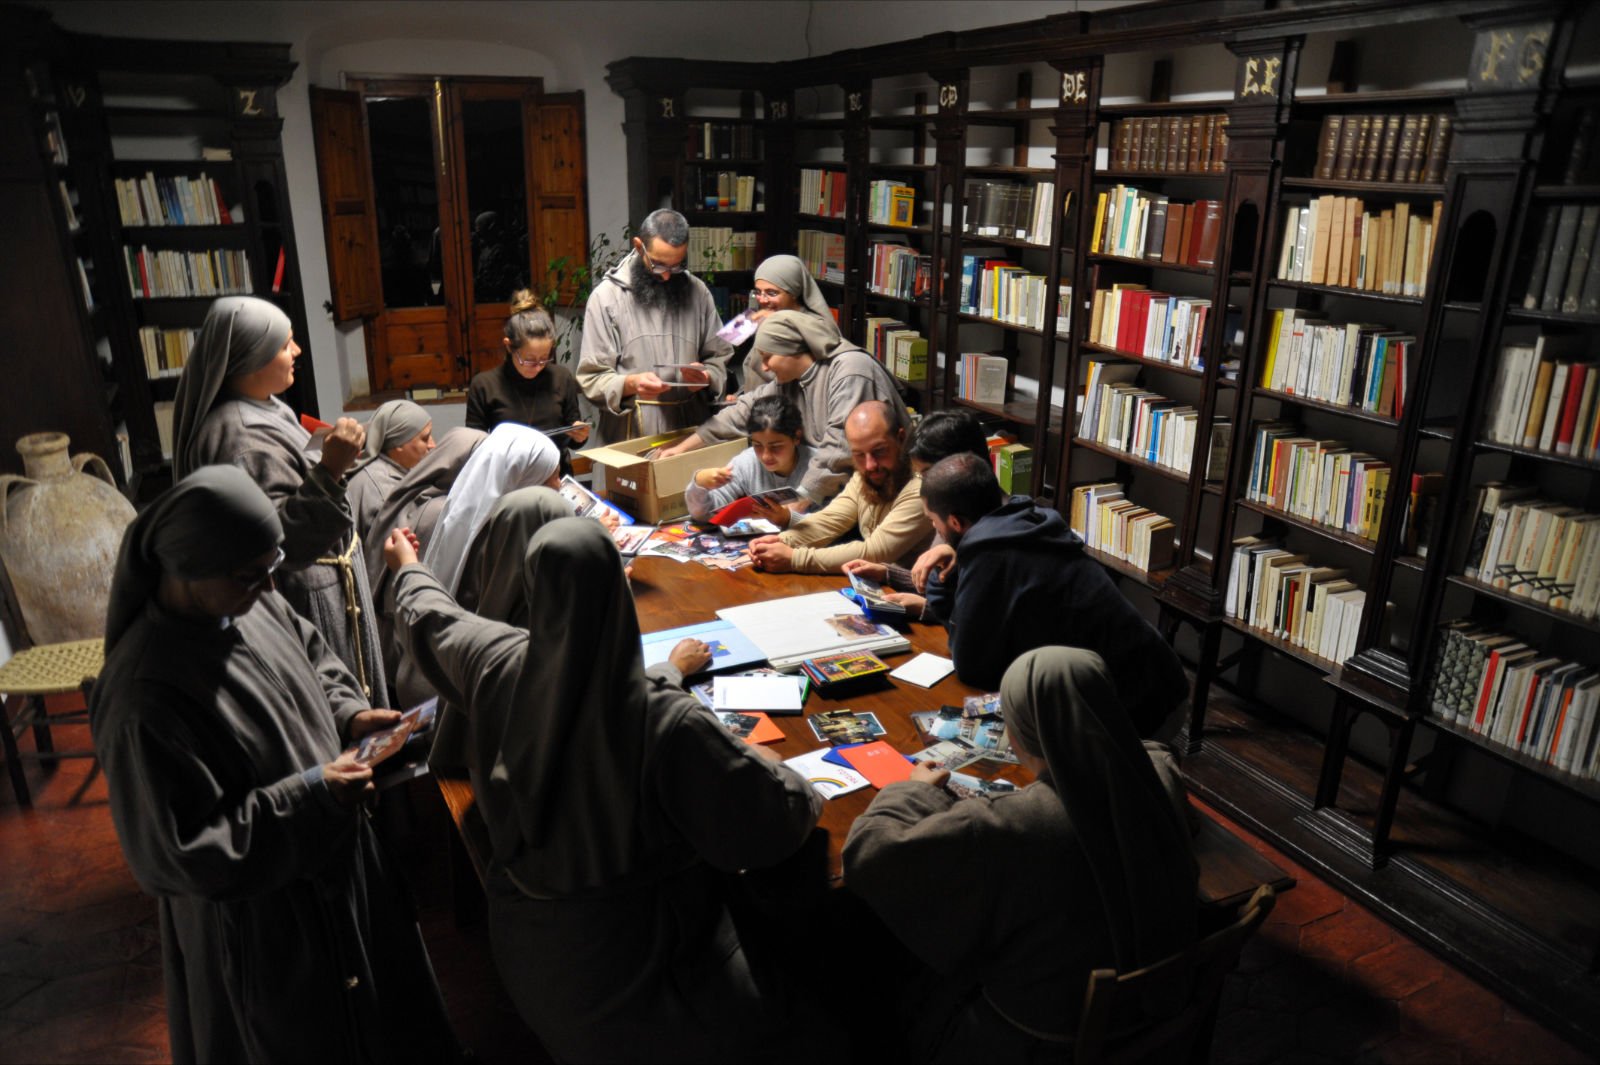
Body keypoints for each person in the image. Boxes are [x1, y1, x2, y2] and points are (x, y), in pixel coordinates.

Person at [383, 517, 823, 1062]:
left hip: (526, 950)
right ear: (620, 590)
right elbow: (774, 824)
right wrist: (775, 768)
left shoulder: (495, 659)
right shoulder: (667, 721)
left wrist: (406, 565)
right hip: (637, 984)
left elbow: (432, 617)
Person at [89, 465, 459, 1064]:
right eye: (250, 575)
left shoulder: (246, 600)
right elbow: (178, 855)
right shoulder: (143, 696)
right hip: (266, 932)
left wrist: (347, 714)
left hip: (336, 877)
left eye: (273, 566)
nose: (268, 587)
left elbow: (315, 656)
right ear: (186, 568)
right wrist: (313, 795)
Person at [842, 647, 1198, 1062]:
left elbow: (869, 855)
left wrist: (911, 791)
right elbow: (1156, 769)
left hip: (1040, 1034)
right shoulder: (1160, 773)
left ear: (1018, 734)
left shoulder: (1004, 823)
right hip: (1159, 1001)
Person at [172, 295, 387, 704]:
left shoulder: (264, 406)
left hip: (323, 585)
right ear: (252, 357)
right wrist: (331, 469)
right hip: (304, 599)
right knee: (331, 707)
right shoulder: (241, 438)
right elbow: (281, 542)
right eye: (285, 344)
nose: (297, 350)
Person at [920, 451, 1190, 737]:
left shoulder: (992, 556)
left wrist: (940, 582)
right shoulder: (1027, 523)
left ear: (956, 522)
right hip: (1163, 679)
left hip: (1142, 711)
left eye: (933, 520)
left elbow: (970, 665)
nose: (933, 528)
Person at [655, 310, 908, 506]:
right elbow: (739, 413)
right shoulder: (788, 382)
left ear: (790, 349)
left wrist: (800, 501)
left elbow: (839, 449)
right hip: (843, 498)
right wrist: (681, 448)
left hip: (887, 492)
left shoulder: (849, 369)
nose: (764, 368)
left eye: (768, 358)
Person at [576, 208, 735, 443]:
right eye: (659, 265)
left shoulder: (698, 292)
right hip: (631, 434)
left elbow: (720, 356)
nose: (667, 276)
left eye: (677, 266)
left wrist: (707, 377)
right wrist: (630, 384)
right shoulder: (606, 298)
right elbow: (592, 378)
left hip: (690, 433)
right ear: (639, 246)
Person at [748, 400, 931, 575]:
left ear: (900, 438)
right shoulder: (863, 477)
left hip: (909, 591)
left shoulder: (922, 488)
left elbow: (875, 551)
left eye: (879, 451)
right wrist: (779, 541)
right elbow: (829, 521)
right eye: (859, 455)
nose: (870, 465)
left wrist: (794, 559)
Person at [842, 408, 991, 620]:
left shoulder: (990, 530)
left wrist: (926, 608)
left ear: (962, 465)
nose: (924, 486)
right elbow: (941, 582)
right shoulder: (951, 508)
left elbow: (985, 615)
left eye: (928, 474)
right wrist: (888, 573)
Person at [465, 289, 589, 448]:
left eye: (544, 358)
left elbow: (572, 437)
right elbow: (475, 446)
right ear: (509, 346)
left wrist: (579, 436)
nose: (538, 367)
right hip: (508, 464)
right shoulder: (484, 385)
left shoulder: (561, 377)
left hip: (555, 463)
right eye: (529, 360)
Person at [684, 395, 813, 527]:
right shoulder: (747, 462)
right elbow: (705, 514)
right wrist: (700, 484)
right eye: (757, 445)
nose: (766, 456)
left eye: (776, 447)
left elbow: (826, 524)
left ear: (797, 437)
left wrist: (789, 518)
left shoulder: (817, 467)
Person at [733, 253, 849, 393]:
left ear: (794, 292)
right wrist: (741, 395)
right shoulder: (765, 318)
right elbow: (753, 372)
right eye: (758, 292)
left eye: (772, 293)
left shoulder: (814, 327)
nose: (762, 300)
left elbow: (788, 378)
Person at [346, 399, 436, 544]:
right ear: (399, 444)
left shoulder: (388, 469)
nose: (432, 445)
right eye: (425, 438)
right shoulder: (385, 492)